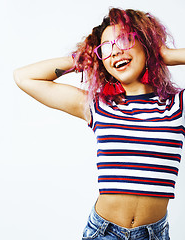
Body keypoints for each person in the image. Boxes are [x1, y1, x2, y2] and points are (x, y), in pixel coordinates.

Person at [13, 7, 185, 240]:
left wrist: (167, 55)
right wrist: (80, 60)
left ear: (146, 44)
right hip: (103, 232)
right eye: (106, 48)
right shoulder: (100, 106)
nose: (114, 52)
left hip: (153, 234)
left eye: (124, 40)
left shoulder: (176, 105)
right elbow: (24, 78)